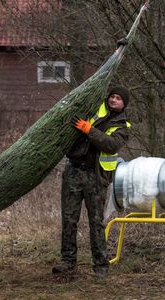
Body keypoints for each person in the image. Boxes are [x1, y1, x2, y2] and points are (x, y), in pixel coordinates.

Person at [52, 86, 131, 278]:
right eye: (112, 96)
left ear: (124, 104)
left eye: (118, 98)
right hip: (73, 170)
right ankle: (68, 262)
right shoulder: (94, 108)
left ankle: (100, 265)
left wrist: (89, 130)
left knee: (96, 222)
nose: (113, 100)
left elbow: (111, 145)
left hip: (96, 177)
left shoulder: (123, 125)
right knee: (69, 219)